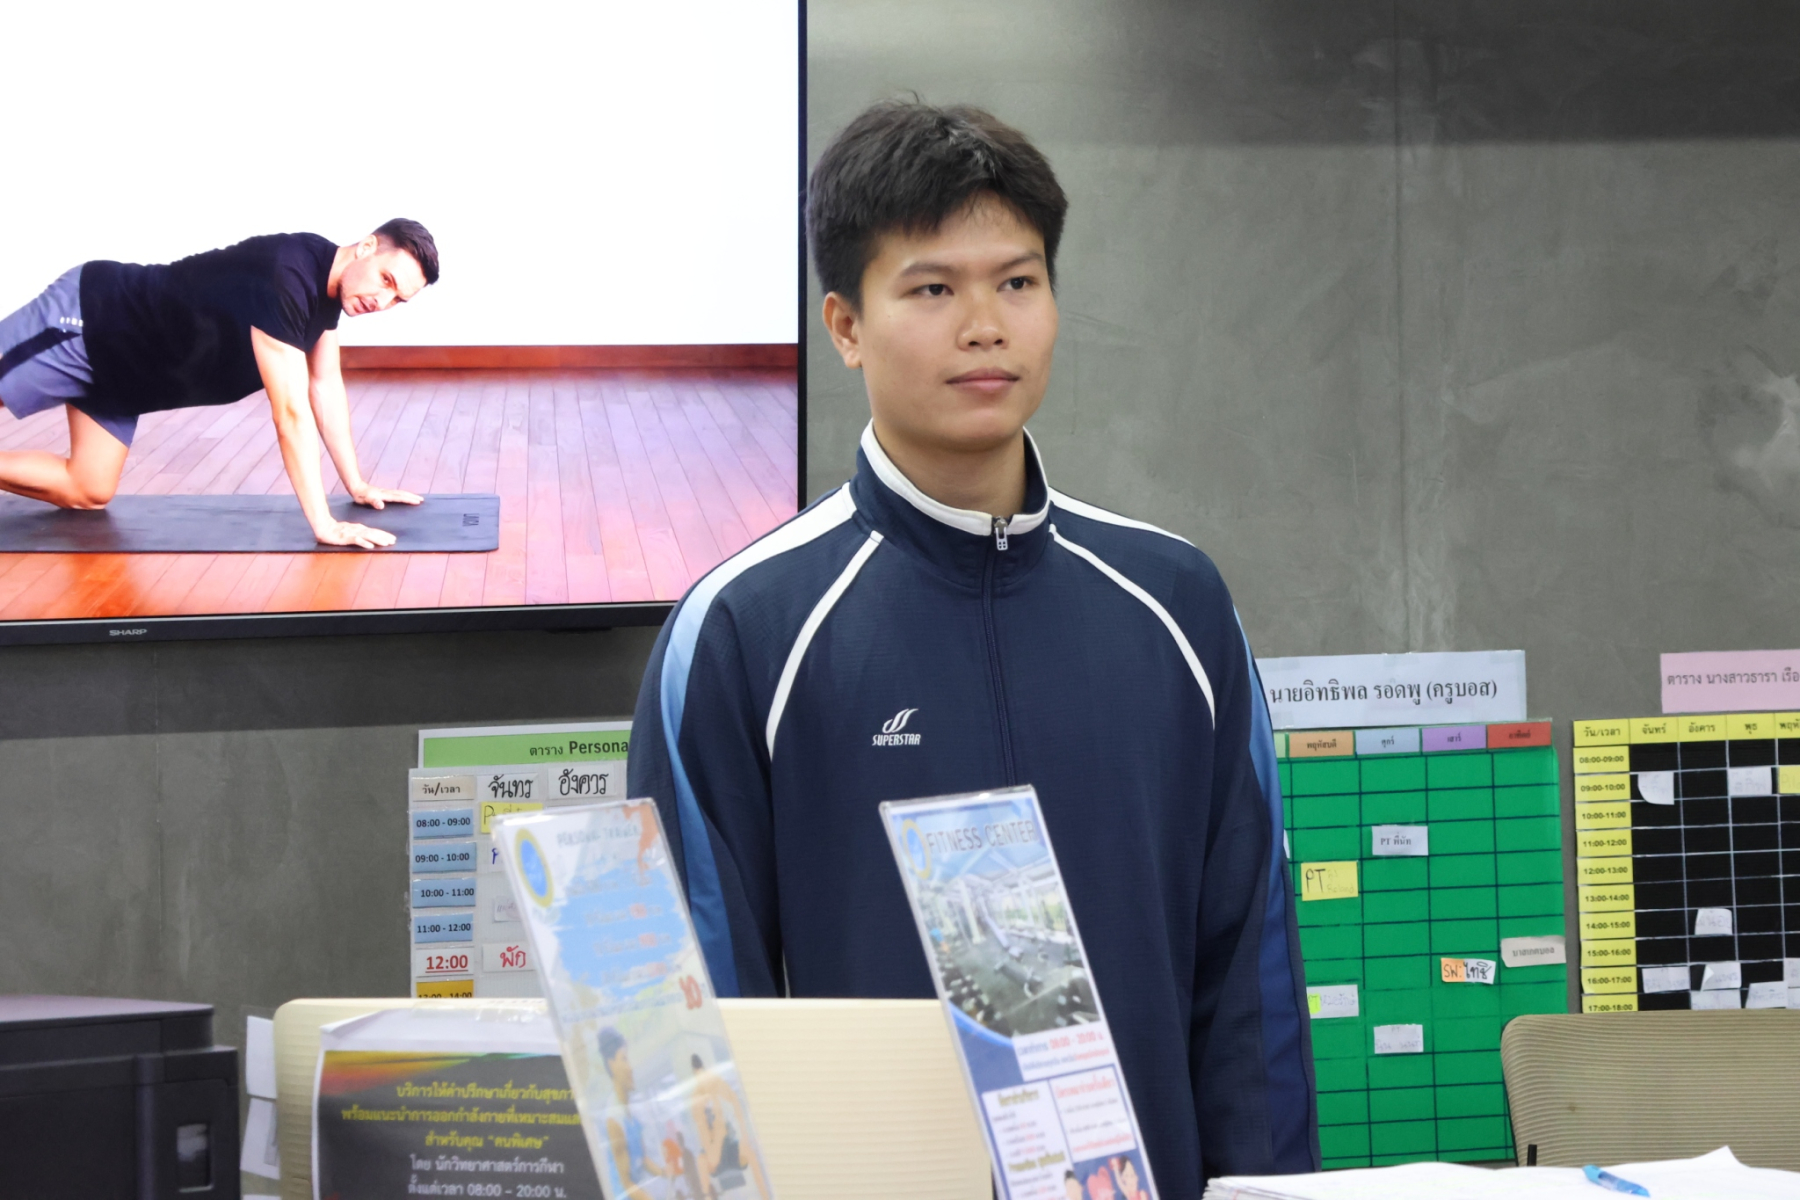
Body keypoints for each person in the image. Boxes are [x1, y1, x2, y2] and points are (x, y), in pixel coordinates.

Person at [629, 101, 1317, 1191]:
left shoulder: (1176, 604)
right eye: (933, 289)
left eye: (1018, 281)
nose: (986, 324)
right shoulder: (744, 630)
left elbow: (1249, 979)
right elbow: (698, 1020)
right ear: (845, 326)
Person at [0, 220, 439, 548]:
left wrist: (356, 484)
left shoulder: (326, 296)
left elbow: (325, 386)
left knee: (88, 489)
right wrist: (324, 524)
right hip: (93, 319)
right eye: (386, 280)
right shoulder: (287, 276)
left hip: (124, 374)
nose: (382, 300)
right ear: (366, 247)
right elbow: (290, 414)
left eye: (397, 299)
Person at [598, 1027, 676, 1200]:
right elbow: (626, 1184)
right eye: (624, 1059)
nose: (630, 1068)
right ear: (611, 1064)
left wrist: (665, 1172)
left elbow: (643, 1159)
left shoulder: (630, 1113)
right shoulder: (614, 1121)